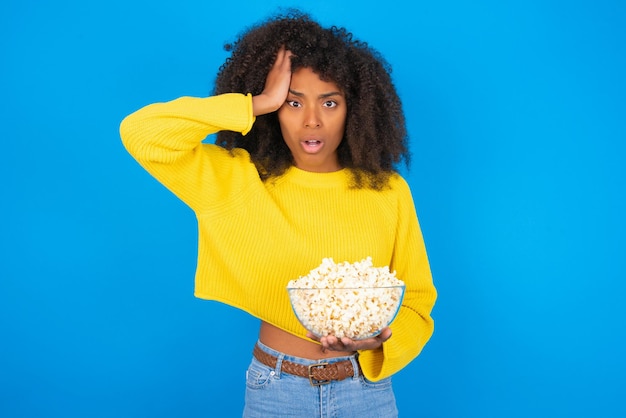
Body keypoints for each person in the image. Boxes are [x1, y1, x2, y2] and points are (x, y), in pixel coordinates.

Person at [120, 9, 436, 417]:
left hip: (365, 391)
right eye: (293, 102)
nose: (312, 121)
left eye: (329, 102)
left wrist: (380, 343)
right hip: (277, 390)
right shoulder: (235, 179)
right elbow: (141, 134)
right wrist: (257, 103)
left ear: (353, 109)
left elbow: (417, 302)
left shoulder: (388, 191)